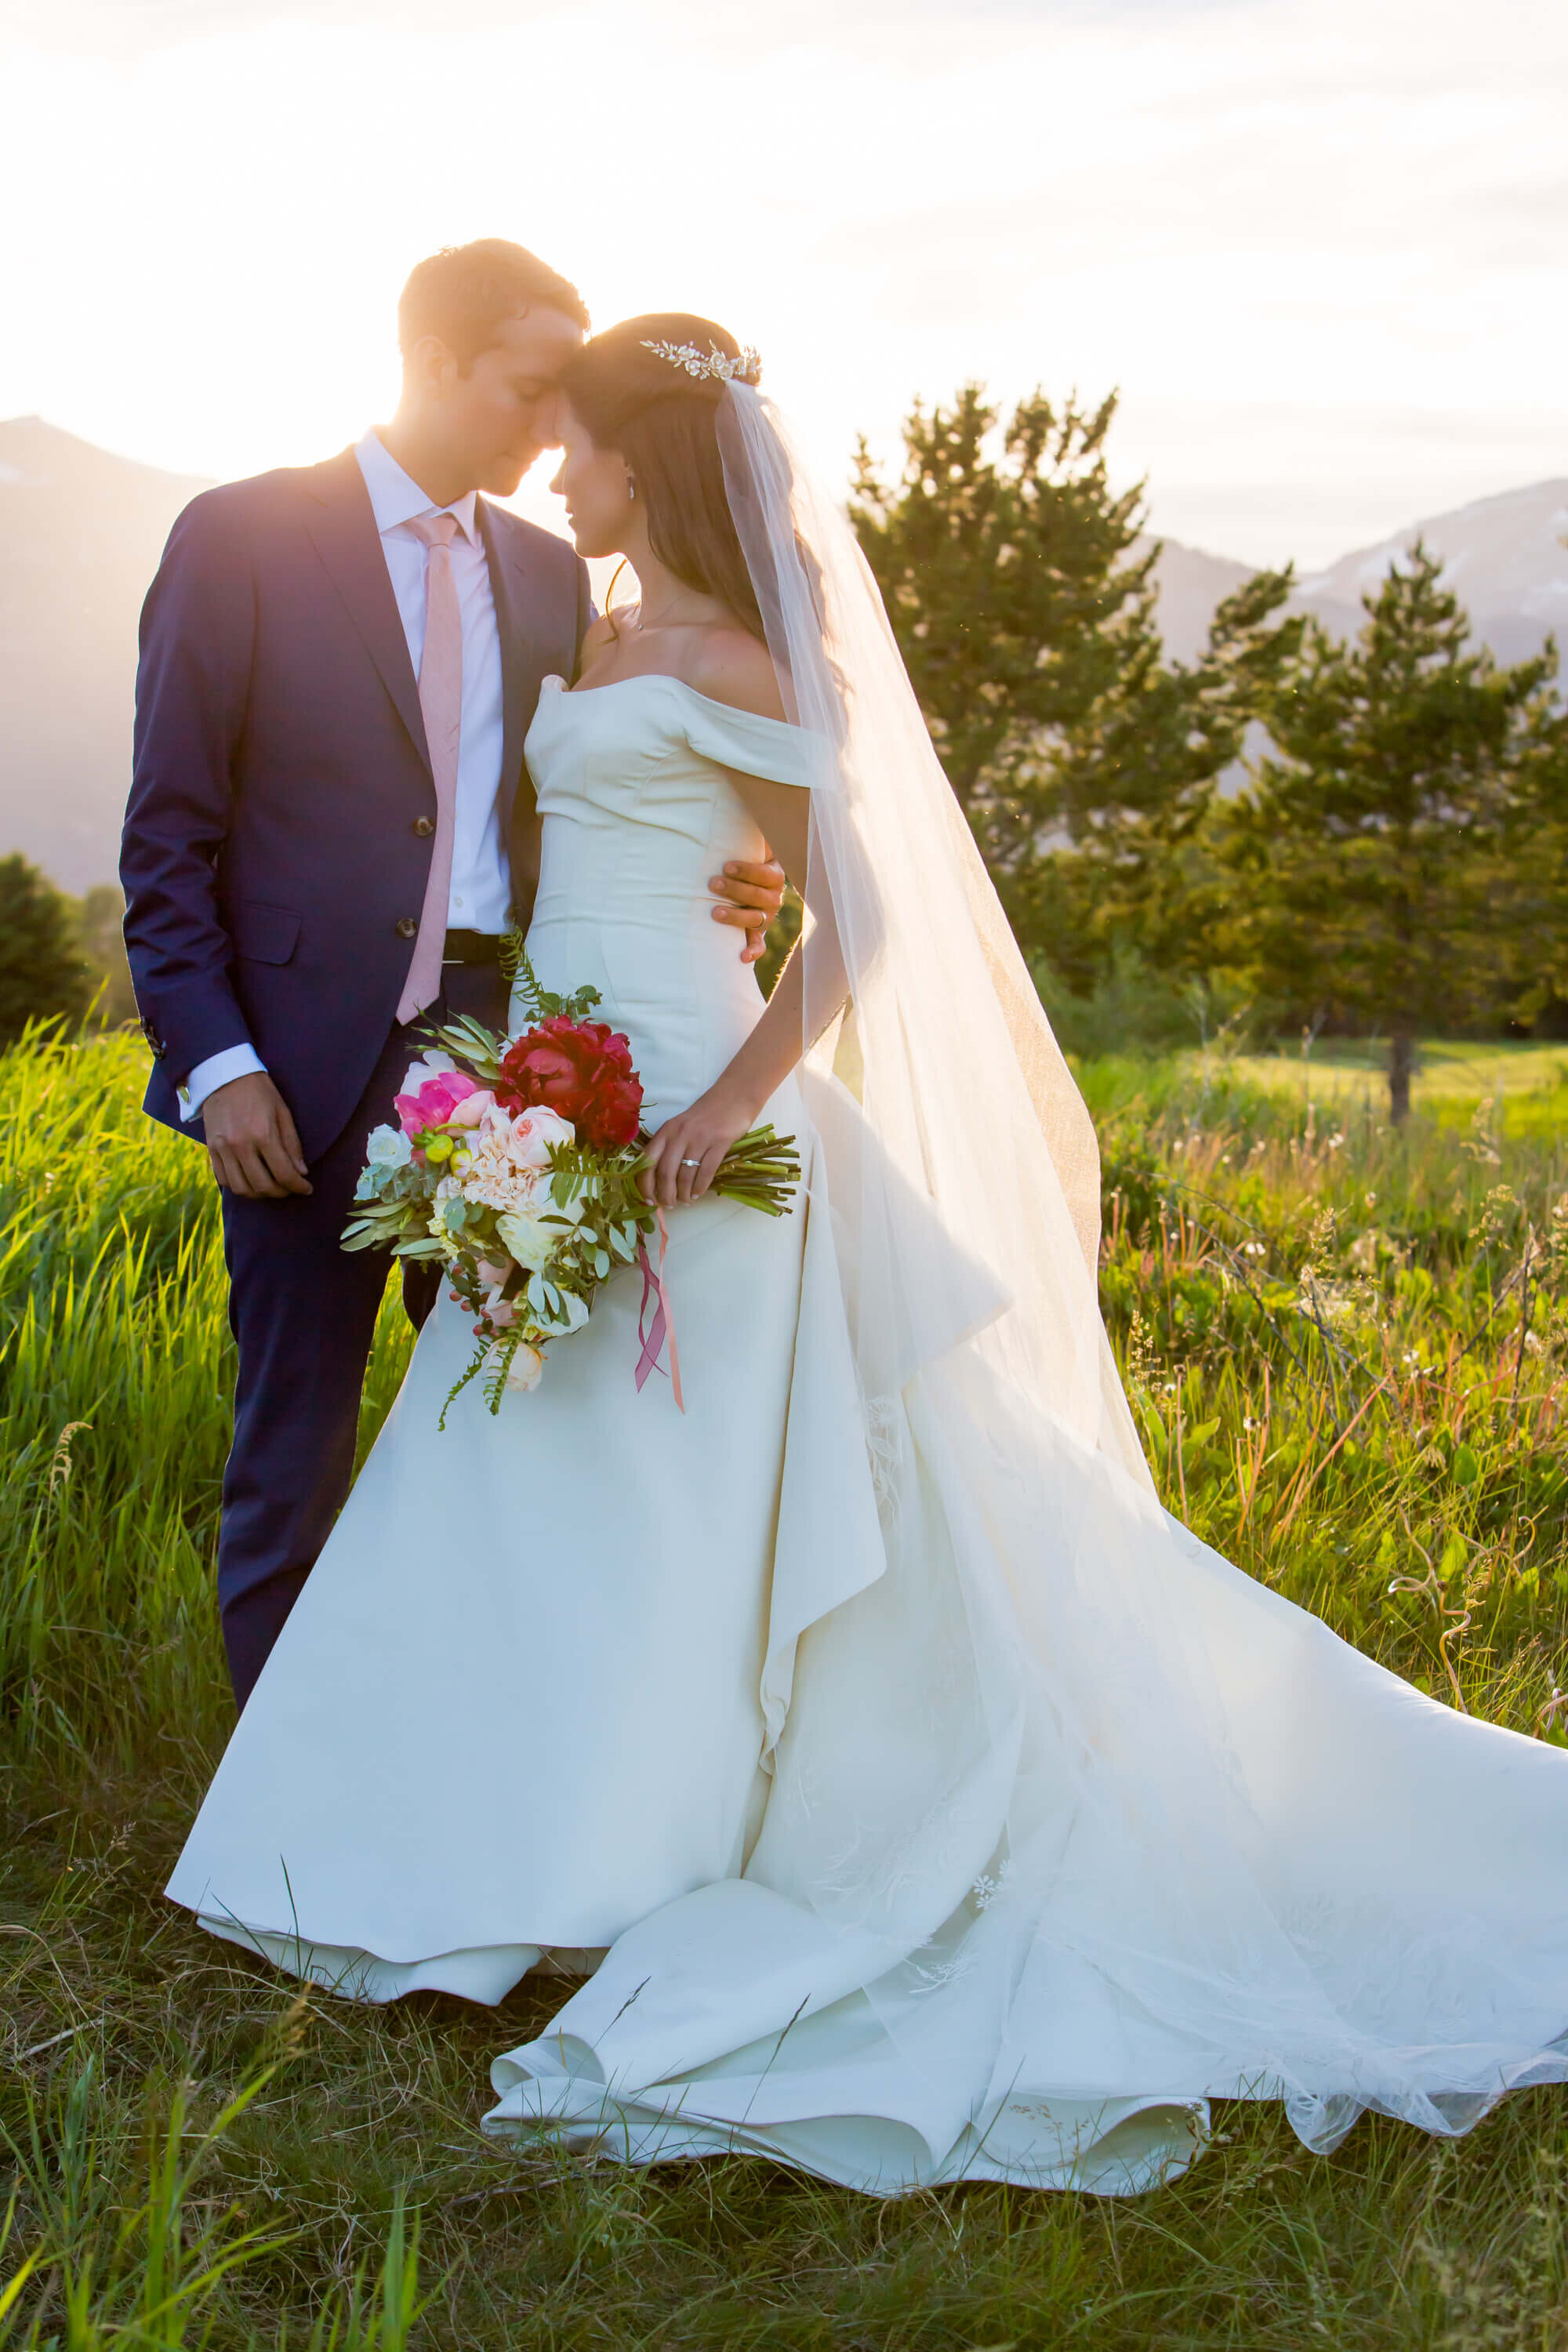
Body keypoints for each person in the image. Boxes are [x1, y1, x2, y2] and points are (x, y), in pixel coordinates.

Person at [166, 315, 1568, 2199]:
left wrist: (732, 1100)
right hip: (543, 1106)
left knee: (668, 1503)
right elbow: (581, 838)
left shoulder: (750, 654)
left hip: (690, 1123)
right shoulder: (586, 629)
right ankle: (483, 1849)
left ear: (645, 465)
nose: (556, 473)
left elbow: (858, 912)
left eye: (580, 447)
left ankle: (660, 1852)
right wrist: (530, 1097)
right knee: (522, 1478)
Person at [121, 248, 783, 1708]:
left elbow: (632, 782)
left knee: (510, 1440)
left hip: (519, 1080)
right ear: (433, 358)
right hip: (288, 1081)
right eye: (531, 385)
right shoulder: (241, 536)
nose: (556, 427)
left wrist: (745, 867)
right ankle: (282, 1813)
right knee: (288, 1448)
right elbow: (167, 844)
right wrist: (219, 1066)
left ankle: (477, 1762)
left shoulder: (554, 576)